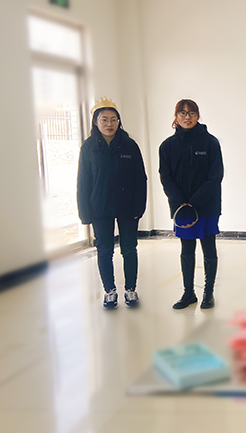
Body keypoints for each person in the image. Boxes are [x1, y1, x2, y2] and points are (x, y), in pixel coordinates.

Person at [77, 98, 147, 309]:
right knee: (105, 250)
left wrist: (139, 207)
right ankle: (110, 291)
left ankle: (130, 289)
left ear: (119, 121)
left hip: (127, 207)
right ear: (96, 122)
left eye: (114, 119)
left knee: (129, 249)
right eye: (104, 119)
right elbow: (83, 181)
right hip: (100, 207)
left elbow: (140, 179)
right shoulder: (89, 148)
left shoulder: (130, 145)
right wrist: (85, 212)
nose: (109, 124)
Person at [159, 99, 224, 309]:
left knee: (209, 248)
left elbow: (215, 176)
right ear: (176, 116)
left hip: (207, 205)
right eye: (183, 113)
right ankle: (188, 293)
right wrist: (181, 202)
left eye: (192, 113)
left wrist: (194, 201)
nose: (187, 117)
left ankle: (208, 293)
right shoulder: (167, 146)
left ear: (198, 115)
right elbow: (165, 177)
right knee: (186, 250)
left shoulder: (210, 143)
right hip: (181, 208)